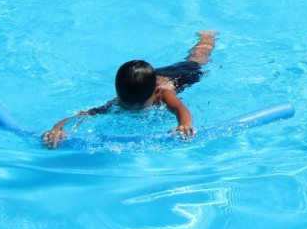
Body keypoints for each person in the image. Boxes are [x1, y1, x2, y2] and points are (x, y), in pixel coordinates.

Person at [42, 32, 216, 148]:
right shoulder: (116, 103)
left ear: (156, 91)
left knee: (197, 60)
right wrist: (58, 128)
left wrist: (184, 125)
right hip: (147, 79)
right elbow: (82, 115)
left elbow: (179, 108)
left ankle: (207, 38)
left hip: (181, 76)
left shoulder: (163, 94)